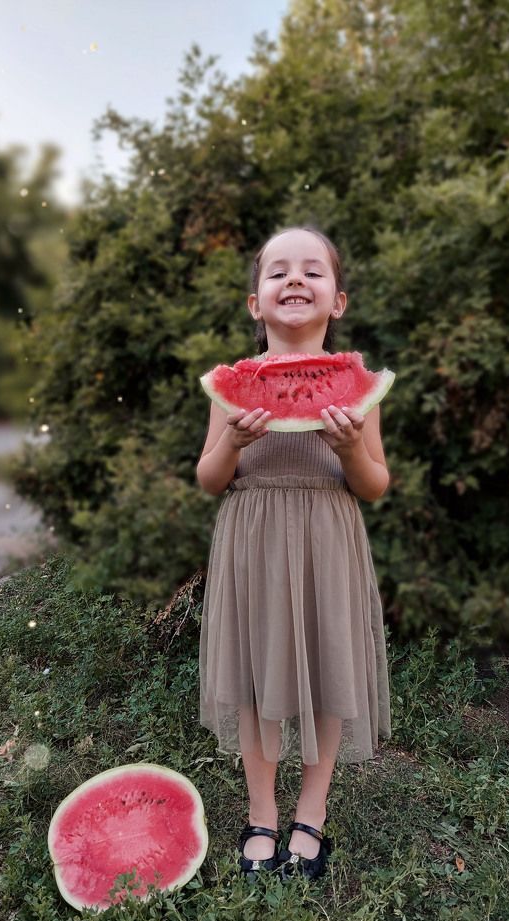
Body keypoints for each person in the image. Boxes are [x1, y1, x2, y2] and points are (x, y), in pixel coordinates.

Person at [196, 226, 392, 880]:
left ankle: (312, 811)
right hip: (252, 541)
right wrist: (231, 442)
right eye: (278, 271)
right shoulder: (233, 383)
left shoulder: (356, 383)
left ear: (338, 300)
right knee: (256, 684)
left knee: (329, 676)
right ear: (256, 303)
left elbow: (374, 484)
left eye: (313, 270)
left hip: (326, 542)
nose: (296, 279)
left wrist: (350, 449)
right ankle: (262, 812)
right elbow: (210, 478)